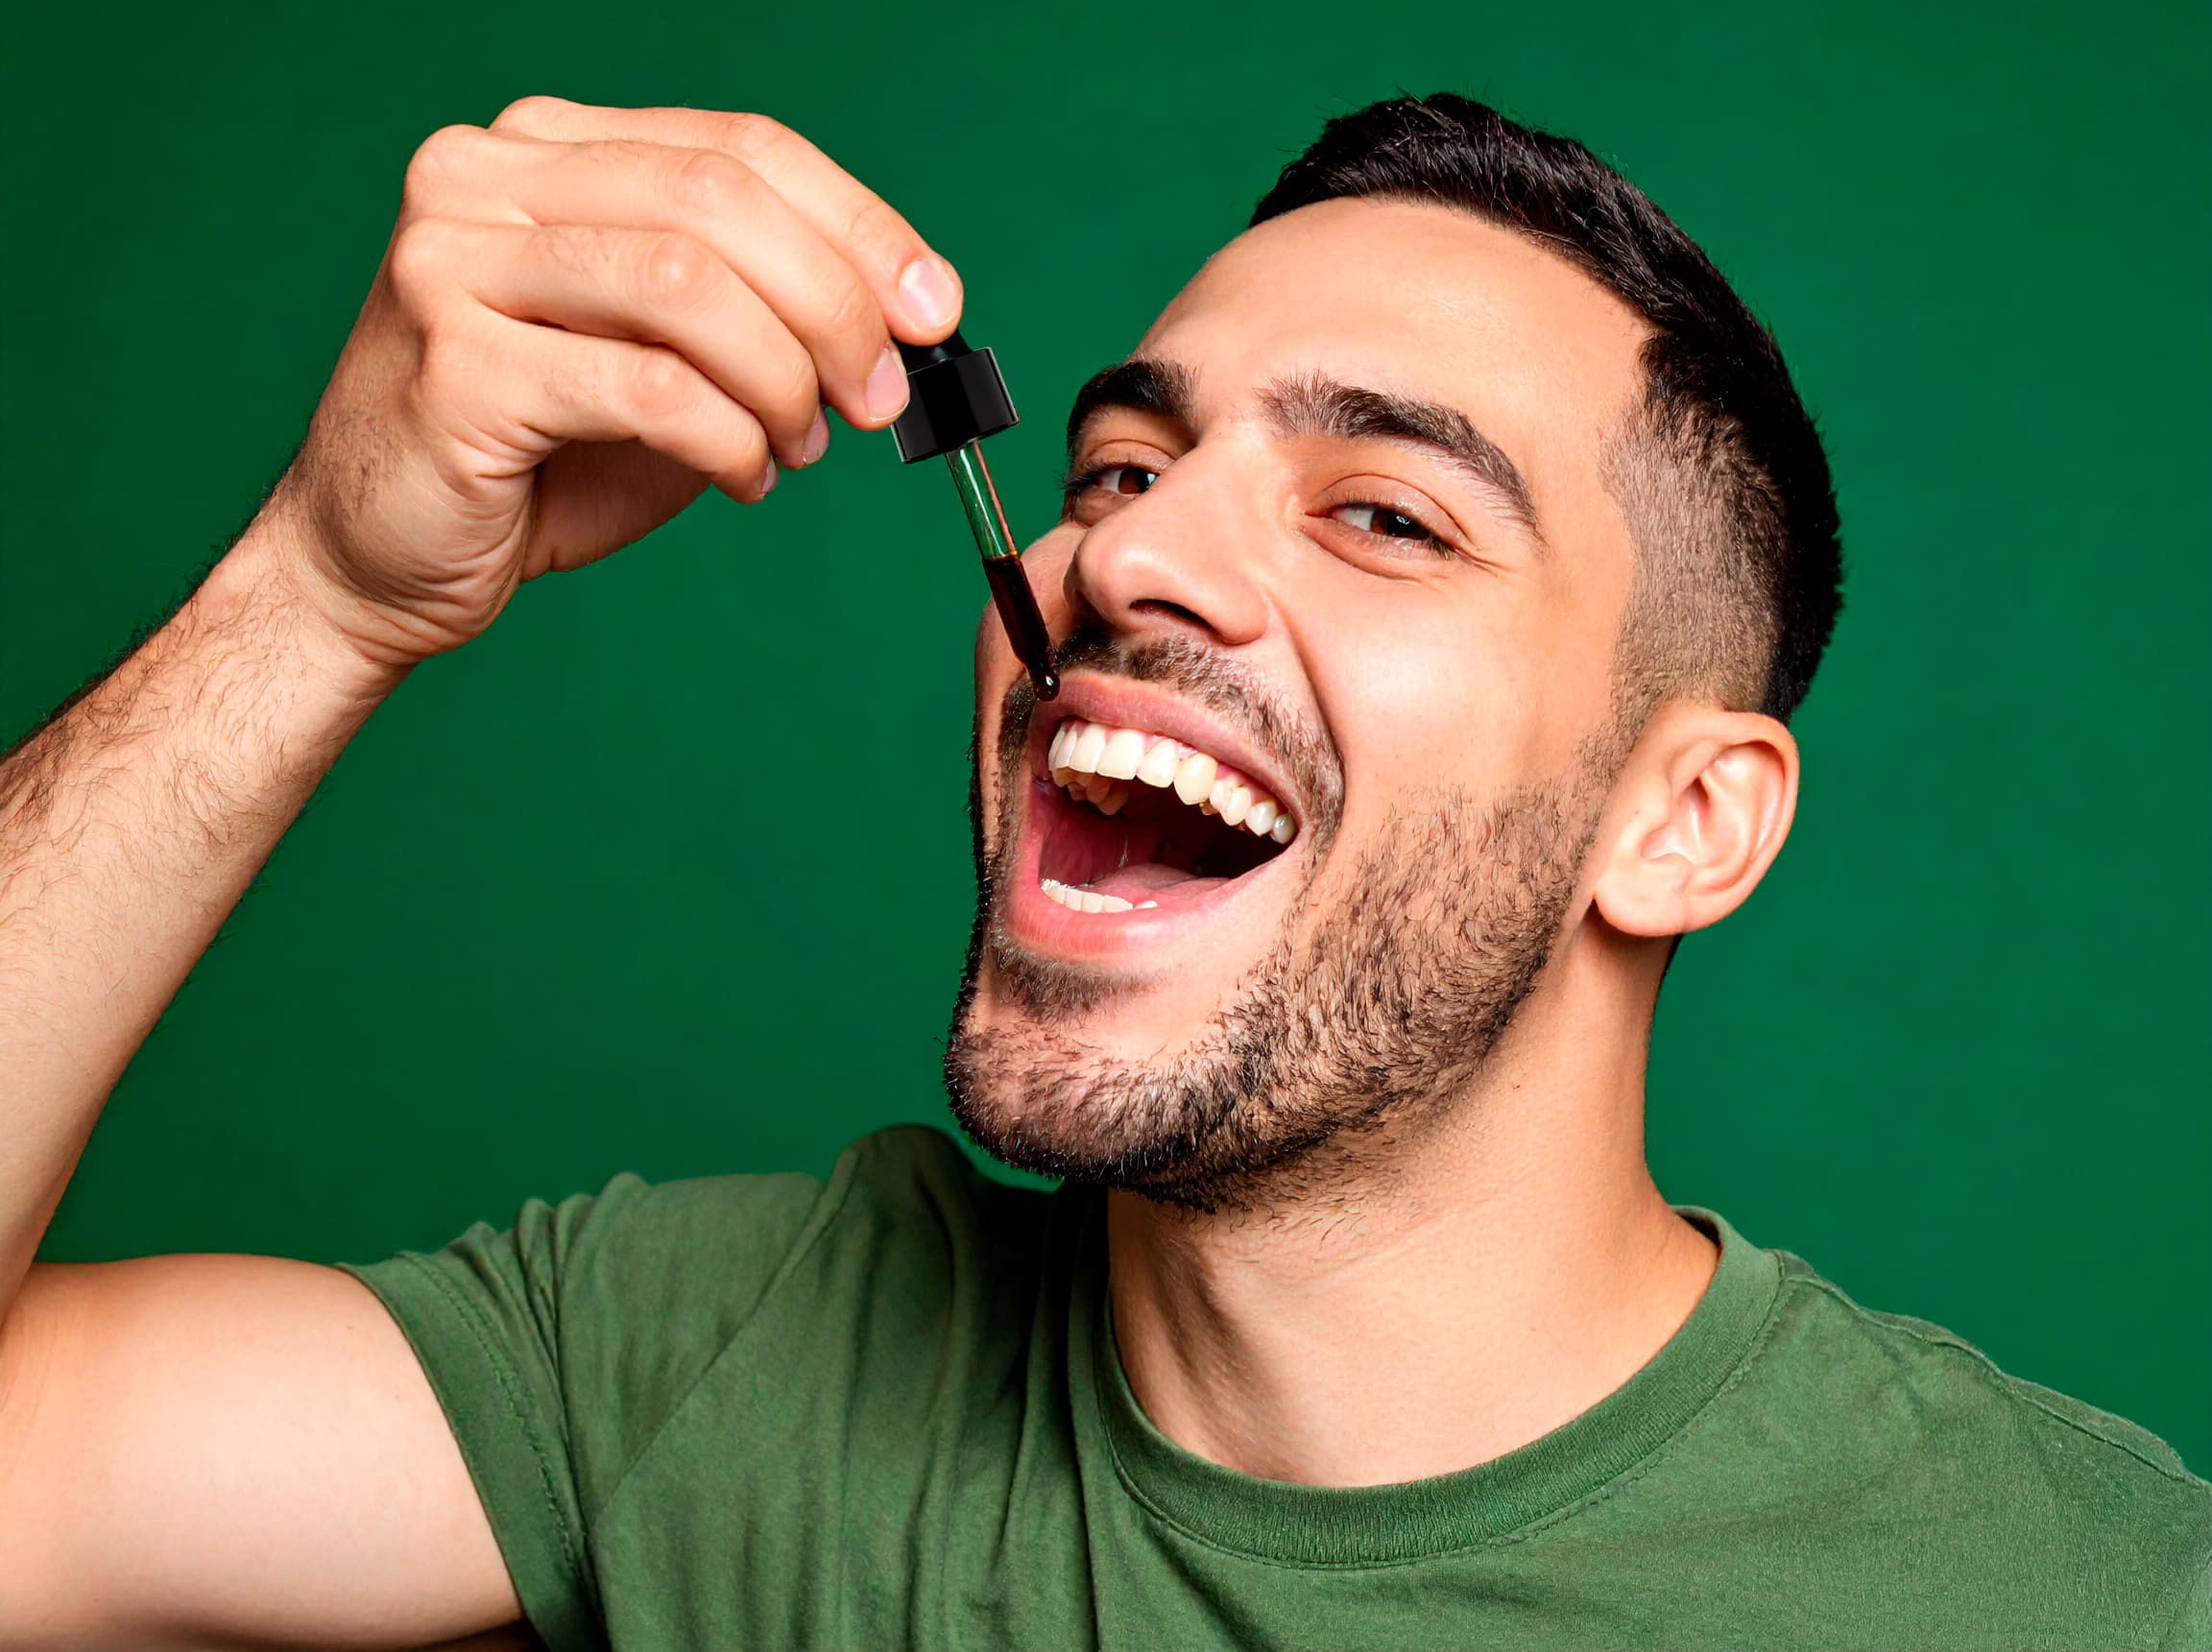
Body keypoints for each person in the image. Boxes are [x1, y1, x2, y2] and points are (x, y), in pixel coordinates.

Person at [0, 90, 2202, 1652]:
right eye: (1126, 464)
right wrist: (325, 589)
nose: (1129, 555)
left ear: (1684, 819)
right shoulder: (715, 1372)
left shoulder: (2097, 1596)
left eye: (1384, 514)